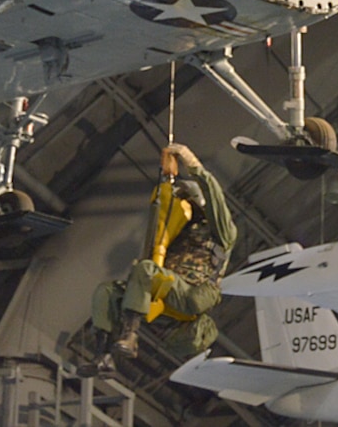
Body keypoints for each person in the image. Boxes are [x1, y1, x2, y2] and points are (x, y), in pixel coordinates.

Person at [88, 142, 237, 368]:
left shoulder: (222, 233)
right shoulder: (179, 231)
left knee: (145, 270)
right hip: (166, 292)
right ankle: (103, 354)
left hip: (190, 295)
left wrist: (192, 163)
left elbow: (215, 197)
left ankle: (131, 336)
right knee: (107, 291)